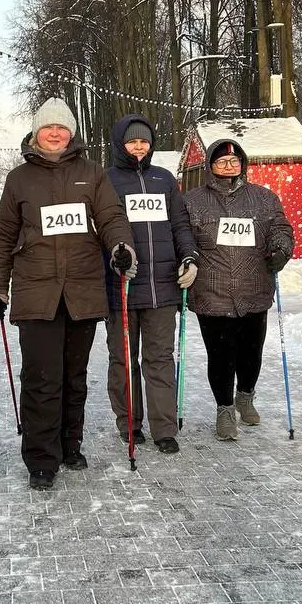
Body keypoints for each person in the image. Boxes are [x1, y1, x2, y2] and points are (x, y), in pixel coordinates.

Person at [0, 98, 136, 489]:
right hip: (36, 293)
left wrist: (121, 246)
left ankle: (70, 444)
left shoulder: (93, 174)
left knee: (74, 376)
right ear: (37, 133)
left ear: (71, 133)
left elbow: (111, 218)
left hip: (83, 290)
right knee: (41, 378)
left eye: (62, 127)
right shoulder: (19, 179)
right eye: (47, 127)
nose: (55, 133)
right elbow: (3, 235)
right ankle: (41, 458)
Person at [101, 114, 199, 454]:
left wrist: (189, 257)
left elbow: (180, 225)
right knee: (124, 360)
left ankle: (164, 428)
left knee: (160, 358)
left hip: (162, 288)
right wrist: (113, 261)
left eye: (144, 140)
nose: (139, 146)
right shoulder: (107, 180)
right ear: (119, 144)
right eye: (132, 141)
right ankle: (130, 421)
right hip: (122, 288)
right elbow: (99, 229)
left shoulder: (165, 180)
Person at [184, 138, 294, 440]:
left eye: (234, 161)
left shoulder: (264, 198)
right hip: (211, 290)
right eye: (222, 162)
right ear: (210, 165)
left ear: (243, 164)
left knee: (251, 353)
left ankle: (245, 395)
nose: (229, 166)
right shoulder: (192, 200)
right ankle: (224, 409)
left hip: (254, 288)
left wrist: (280, 249)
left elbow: (281, 228)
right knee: (220, 356)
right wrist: (187, 259)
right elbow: (183, 236)